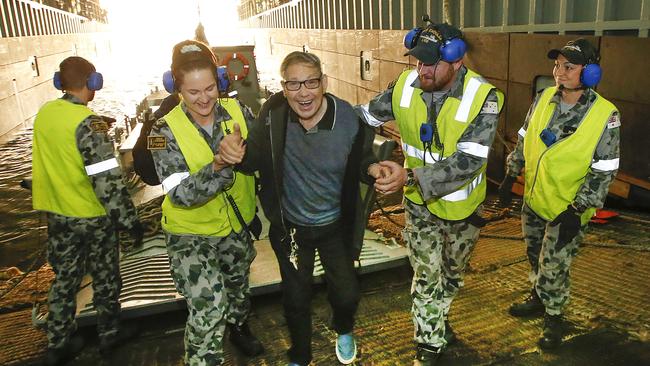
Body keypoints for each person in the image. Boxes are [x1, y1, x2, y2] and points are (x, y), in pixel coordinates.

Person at [219, 51, 385, 366]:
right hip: (291, 227)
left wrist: (375, 170)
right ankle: (300, 355)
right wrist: (236, 155)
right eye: (293, 84)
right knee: (296, 298)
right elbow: (255, 157)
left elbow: (362, 159)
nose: (303, 92)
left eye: (310, 82)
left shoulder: (347, 117)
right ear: (283, 87)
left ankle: (344, 328)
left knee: (347, 293)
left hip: (335, 225)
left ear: (323, 82)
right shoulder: (273, 112)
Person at [356, 23, 504, 365]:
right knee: (426, 274)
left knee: (451, 276)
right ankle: (429, 344)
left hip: (464, 210)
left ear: (455, 60)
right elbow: (361, 116)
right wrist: (318, 112)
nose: (421, 69)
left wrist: (407, 175)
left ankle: (437, 319)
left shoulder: (484, 97)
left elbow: (468, 162)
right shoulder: (405, 86)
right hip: (420, 205)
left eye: (430, 63)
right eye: (417, 61)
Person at [147, 40, 263, 365]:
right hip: (190, 235)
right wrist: (219, 165)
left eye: (210, 88)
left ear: (220, 81)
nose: (204, 99)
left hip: (235, 226)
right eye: (193, 92)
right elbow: (180, 193)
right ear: (176, 89)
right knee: (208, 307)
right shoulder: (161, 131)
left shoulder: (241, 112)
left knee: (238, 288)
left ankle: (240, 327)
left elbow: (264, 157)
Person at [499, 38, 620, 349]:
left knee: (554, 265)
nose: (559, 72)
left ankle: (554, 317)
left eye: (569, 67)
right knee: (534, 256)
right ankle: (539, 298)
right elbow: (525, 138)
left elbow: (605, 169)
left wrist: (578, 209)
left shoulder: (604, 114)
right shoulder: (543, 98)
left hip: (569, 208)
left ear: (590, 73)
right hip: (535, 200)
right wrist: (510, 176)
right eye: (557, 65)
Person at [31, 56, 144, 365]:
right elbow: (107, 180)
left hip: (57, 215)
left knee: (65, 279)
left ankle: (58, 343)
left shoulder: (44, 114)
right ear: (94, 83)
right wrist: (129, 220)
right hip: (92, 217)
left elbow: (60, 152)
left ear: (59, 82)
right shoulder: (90, 124)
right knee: (106, 277)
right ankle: (109, 335)